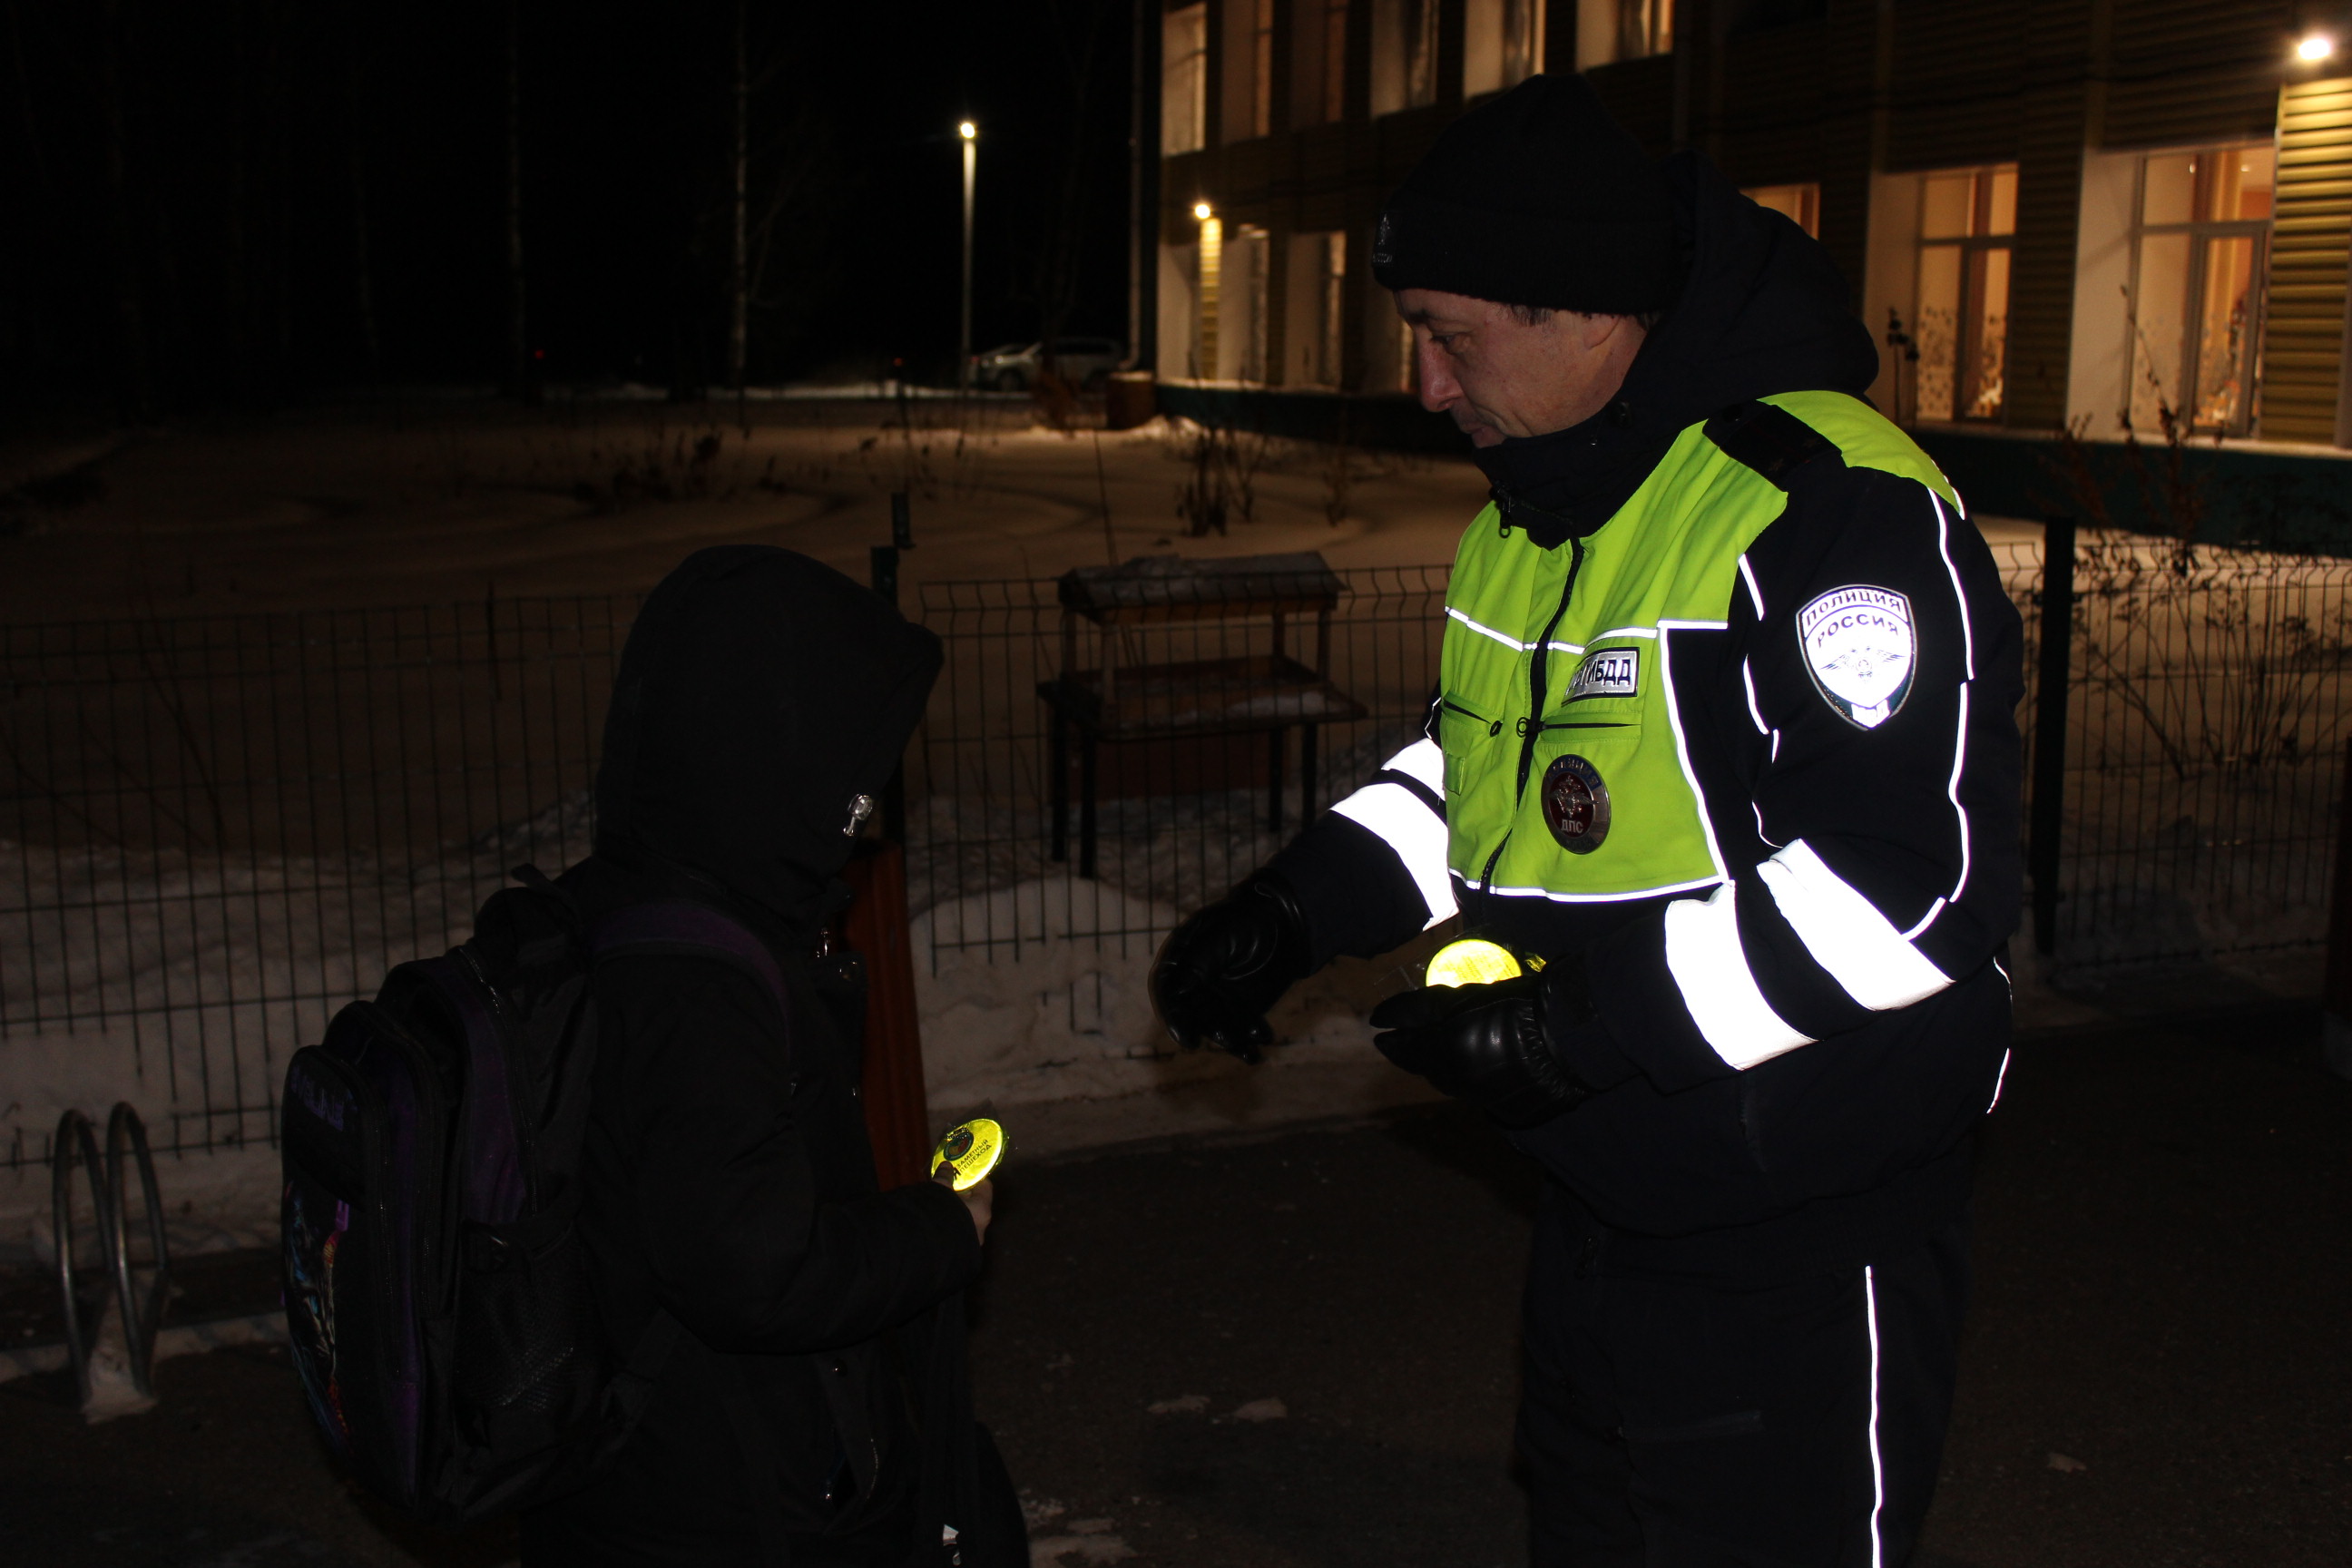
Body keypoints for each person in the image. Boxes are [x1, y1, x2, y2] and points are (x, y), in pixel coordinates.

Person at [1151, 76, 2022, 1566]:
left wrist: (1585, 1028)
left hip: (1795, 1216)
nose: (1424, 383)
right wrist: (1293, 909)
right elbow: (1468, 772)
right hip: (1603, 1192)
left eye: (1450, 335)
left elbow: (1908, 883)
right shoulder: (1537, 513)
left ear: (1590, 314)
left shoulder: (1822, 507)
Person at [520, 546, 1020, 1567]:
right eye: (851, 766)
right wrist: (941, 1231)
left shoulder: (631, 899)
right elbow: (752, 1268)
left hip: (632, 1474)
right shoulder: (692, 982)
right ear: (767, 743)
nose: (867, 802)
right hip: (712, 1501)